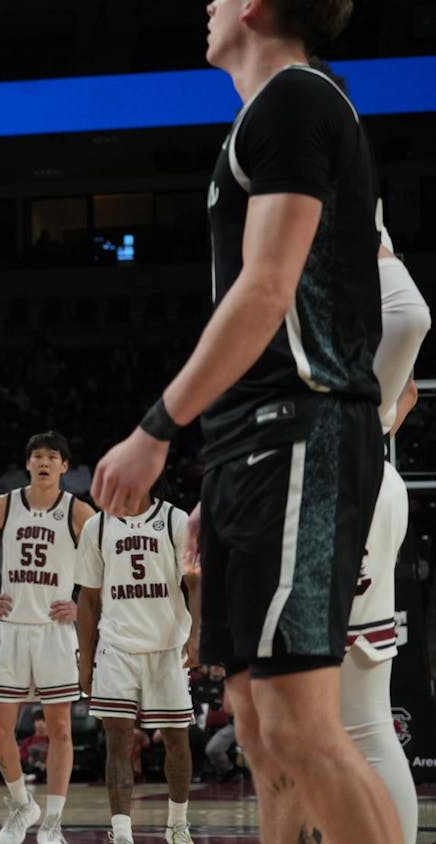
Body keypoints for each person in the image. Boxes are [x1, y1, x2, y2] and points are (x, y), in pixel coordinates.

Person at [90, 2, 400, 840]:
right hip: (253, 443)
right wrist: (216, 474)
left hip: (303, 426)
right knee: (259, 727)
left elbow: (265, 290)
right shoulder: (265, 114)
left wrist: (156, 427)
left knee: (304, 723)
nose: (208, 4)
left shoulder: (297, 100)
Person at [335, 204, 428, 844]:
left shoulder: (337, 212)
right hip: (344, 478)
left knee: (360, 720)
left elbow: (412, 318)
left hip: (346, 486)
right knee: (309, 724)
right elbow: (410, 390)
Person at [0, 431, 94, 843]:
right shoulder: (5, 504)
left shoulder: (78, 511)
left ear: (64, 467)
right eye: (38, 456)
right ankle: (22, 805)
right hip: (13, 628)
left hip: (55, 630)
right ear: (28, 464)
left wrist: (82, 604)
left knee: (60, 729)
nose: (44, 462)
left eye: (53, 457)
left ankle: (53, 823)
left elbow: (108, 561)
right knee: (0, 727)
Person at [76, 494, 199, 844]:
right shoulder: (97, 527)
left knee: (176, 738)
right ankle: (121, 832)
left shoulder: (175, 519)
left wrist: (196, 636)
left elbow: (195, 582)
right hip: (117, 648)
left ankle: (177, 825)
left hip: (168, 645)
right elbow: (87, 598)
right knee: (118, 742)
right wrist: (85, 660)